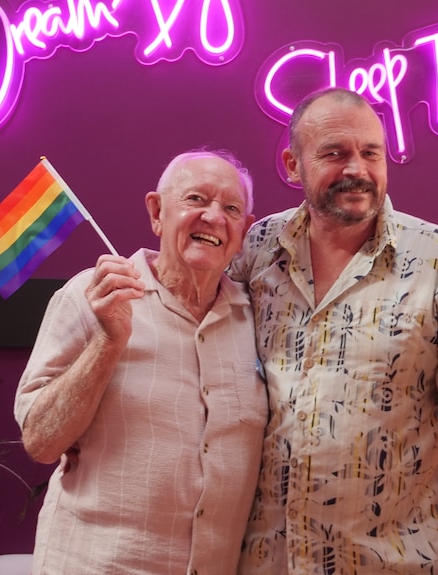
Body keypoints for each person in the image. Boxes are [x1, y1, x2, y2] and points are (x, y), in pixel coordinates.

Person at [229, 88, 438, 575]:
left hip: (393, 564)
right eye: (334, 153)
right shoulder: (257, 249)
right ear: (291, 163)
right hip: (266, 564)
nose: (357, 169)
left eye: (371, 153)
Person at [14, 149, 268, 575]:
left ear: (243, 231)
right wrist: (107, 343)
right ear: (156, 212)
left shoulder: (258, 316)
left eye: (231, 208)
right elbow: (40, 441)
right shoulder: (92, 296)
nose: (213, 217)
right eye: (196, 199)